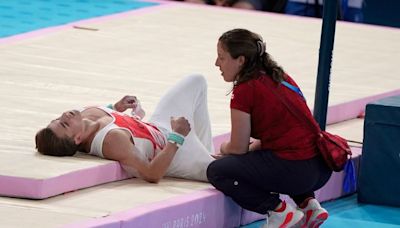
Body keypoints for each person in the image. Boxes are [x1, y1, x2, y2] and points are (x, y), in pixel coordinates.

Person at [206, 28, 332, 228]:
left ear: (240, 60)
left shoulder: (245, 90)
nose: (216, 64)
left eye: (221, 58)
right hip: (321, 166)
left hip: (297, 172)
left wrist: (223, 148)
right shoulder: (280, 76)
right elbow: (290, 129)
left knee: (217, 171)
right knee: (279, 154)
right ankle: (309, 206)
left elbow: (238, 148)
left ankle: (279, 212)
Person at [35, 74, 215, 183]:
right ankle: (206, 157)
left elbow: (109, 119)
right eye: (65, 124)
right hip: (176, 152)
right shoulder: (111, 141)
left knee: (196, 81)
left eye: (58, 118)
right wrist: (177, 136)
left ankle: (206, 151)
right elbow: (152, 174)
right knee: (223, 169)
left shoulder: (83, 114)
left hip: (160, 125)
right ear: (77, 139)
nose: (65, 115)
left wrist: (116, 107)